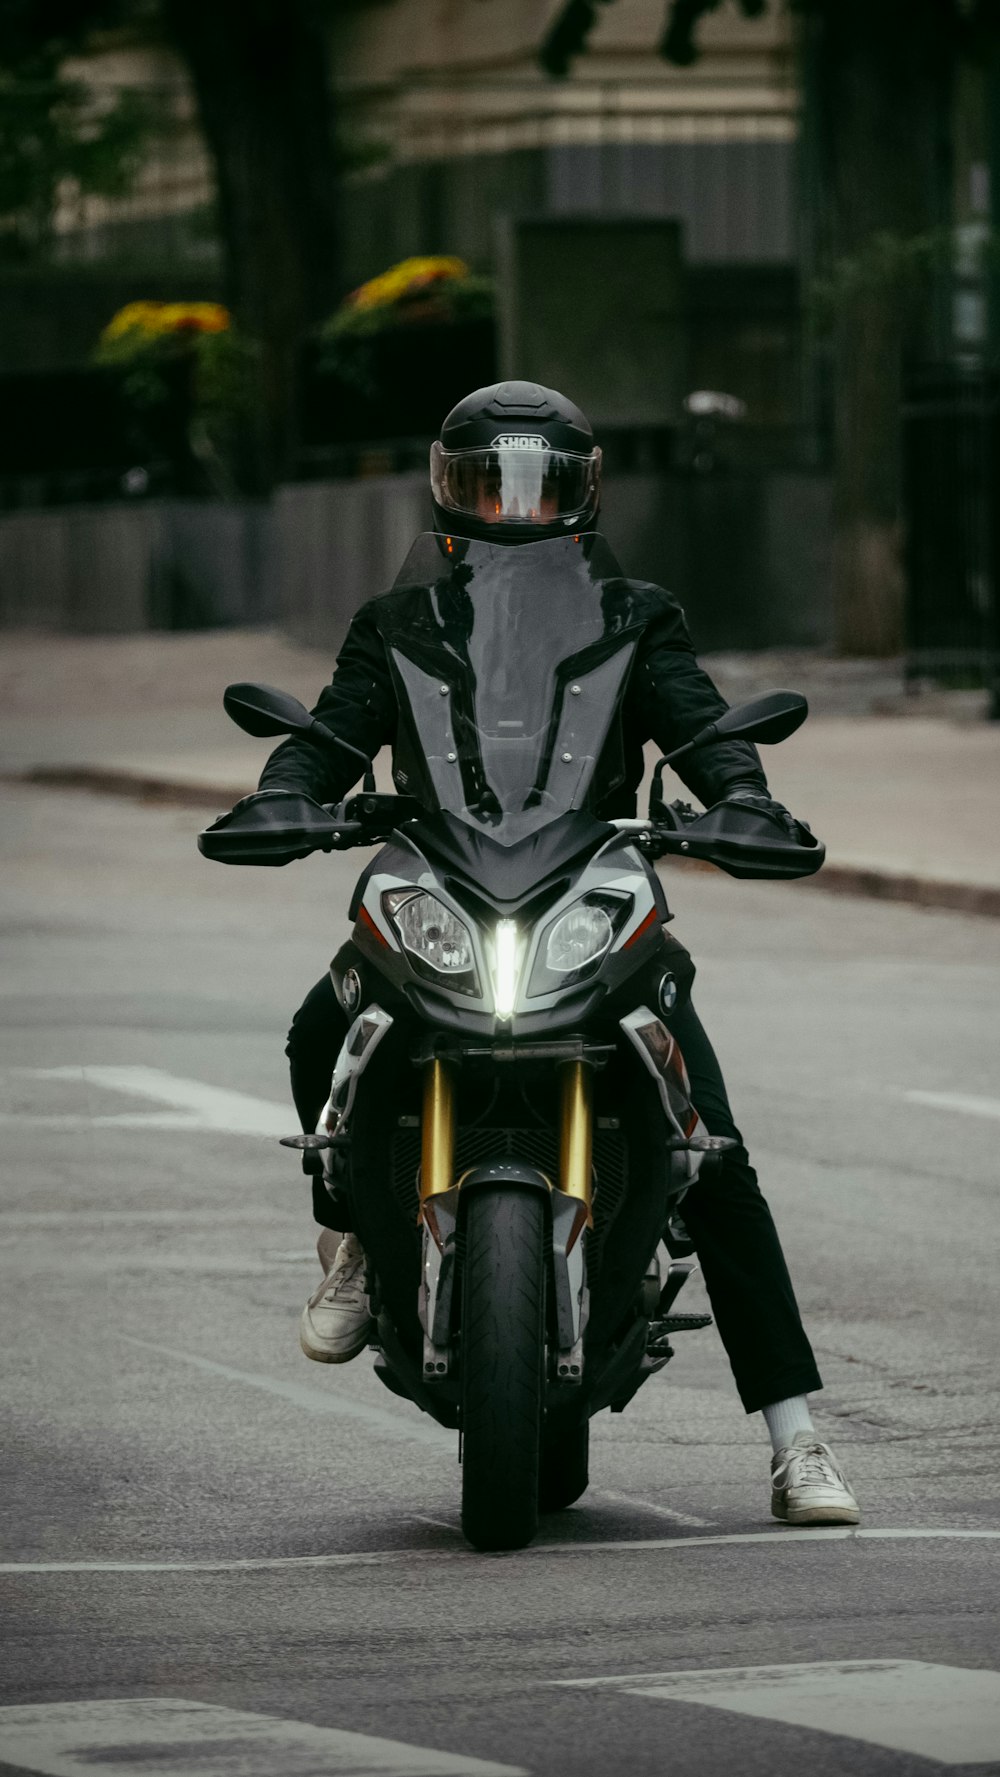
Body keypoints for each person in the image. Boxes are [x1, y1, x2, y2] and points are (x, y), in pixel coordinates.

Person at [258, 380, 859, 1528]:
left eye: (541, 486)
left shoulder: (637, 618)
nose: (516, 510)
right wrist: (287, 796)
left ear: (583, 495)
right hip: (443, 889)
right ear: (448, 491)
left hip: (589, 899)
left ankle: (798, 1439)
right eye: (491, 484)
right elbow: (333, 737)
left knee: (713, 1151)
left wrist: (742, 800)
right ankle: (346, 1234)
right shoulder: (397, 627)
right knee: (317, 1026)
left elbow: (699, 725)